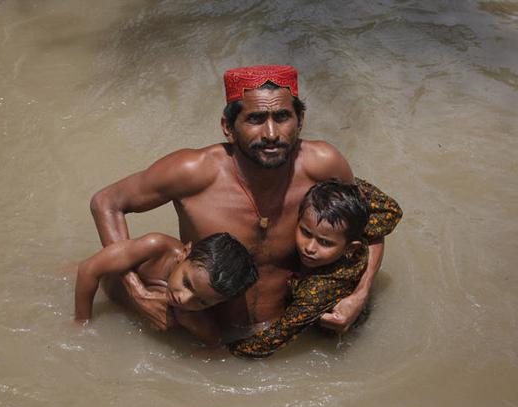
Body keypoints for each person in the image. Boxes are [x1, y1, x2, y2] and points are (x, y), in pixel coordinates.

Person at [90, 64, 400, 337]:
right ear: (228, 128)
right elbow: (107, 203)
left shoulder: (323, 164)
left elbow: (368, 226)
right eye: (255, 119)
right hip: (206, 329)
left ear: (300, 120)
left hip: (289, 327)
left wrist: (360, 295)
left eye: (282, 117)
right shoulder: (194, 172)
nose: (270, 133)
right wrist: (137, 293)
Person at [229, 179, 400, 357]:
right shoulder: (345, 230)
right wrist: (333, 183)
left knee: (324, 335)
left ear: (350, 248)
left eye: (325, 243)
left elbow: (276, 337)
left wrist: (225, 352)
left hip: (334, 322)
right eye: (306, 232)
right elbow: (390, 209)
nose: (310, 248)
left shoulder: (317, 290)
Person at [74, 232, 258, 345]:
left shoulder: (191, 314)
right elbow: (88, 271)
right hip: (98, 288)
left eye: (201, 301)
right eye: (187, 283)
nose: (184, 299)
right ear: (184, 253)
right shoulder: (156, 249)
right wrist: (81, 323)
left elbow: (213, 344)